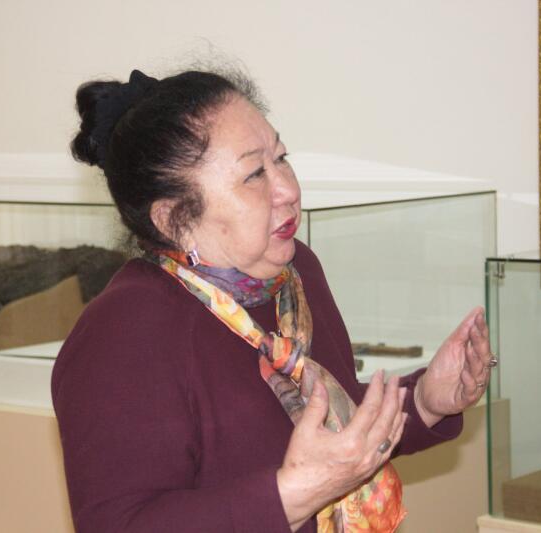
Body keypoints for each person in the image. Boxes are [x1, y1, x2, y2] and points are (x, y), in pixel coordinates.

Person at [52, 68, 496, 533]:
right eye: (254, 175)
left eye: (281, 158)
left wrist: (426, 402)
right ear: (174, 218)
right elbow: (120, 524)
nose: (288, 190)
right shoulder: (122, 333)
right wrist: (291, 495)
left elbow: (330, 428)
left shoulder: (295, 275)